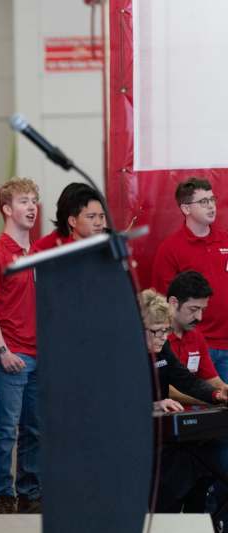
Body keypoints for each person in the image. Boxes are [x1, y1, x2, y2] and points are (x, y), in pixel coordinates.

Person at [0, 177, 41, 514]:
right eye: (23, 201)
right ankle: (1, 491)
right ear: (6, 209)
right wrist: (3, 351)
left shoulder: (40, 253)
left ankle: (30, 490)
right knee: (5, 428)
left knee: (34, 427)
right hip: (11, 355)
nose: (31, 207)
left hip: (39, 354)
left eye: (33, 200)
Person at [138, 289, 228, 514]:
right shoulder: (121, 355)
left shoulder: (162, 347)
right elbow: (113, 402)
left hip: (160, 431)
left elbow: (186, 380)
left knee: (202, 459)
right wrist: (151, 405)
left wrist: (217, 395)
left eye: (166, 331)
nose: (162, 337)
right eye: (156, 332)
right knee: (176, 470)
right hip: (135, 436)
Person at [153, 178, 228, 381]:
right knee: (200, 405)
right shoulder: (170, 249)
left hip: (227, 345)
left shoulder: (226, 240)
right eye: (203, 202)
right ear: (186, 208)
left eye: (212, 199)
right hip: (194, 345)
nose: (211, 206)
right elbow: (164, 304)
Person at [165, 271, 228, 404]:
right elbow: (164, 389)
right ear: (173, 302)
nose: (199, 317)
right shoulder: (155, 336)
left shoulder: (196, 335)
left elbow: (211, 378)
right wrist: (212, 399)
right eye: (193, 309)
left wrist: (224, 391)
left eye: (202, 310)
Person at [32, 183, 105, 252]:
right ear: (72, 221)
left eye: (101, 216)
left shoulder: (110, 244)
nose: (99, 223)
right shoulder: (45, 248)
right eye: (91, 217)